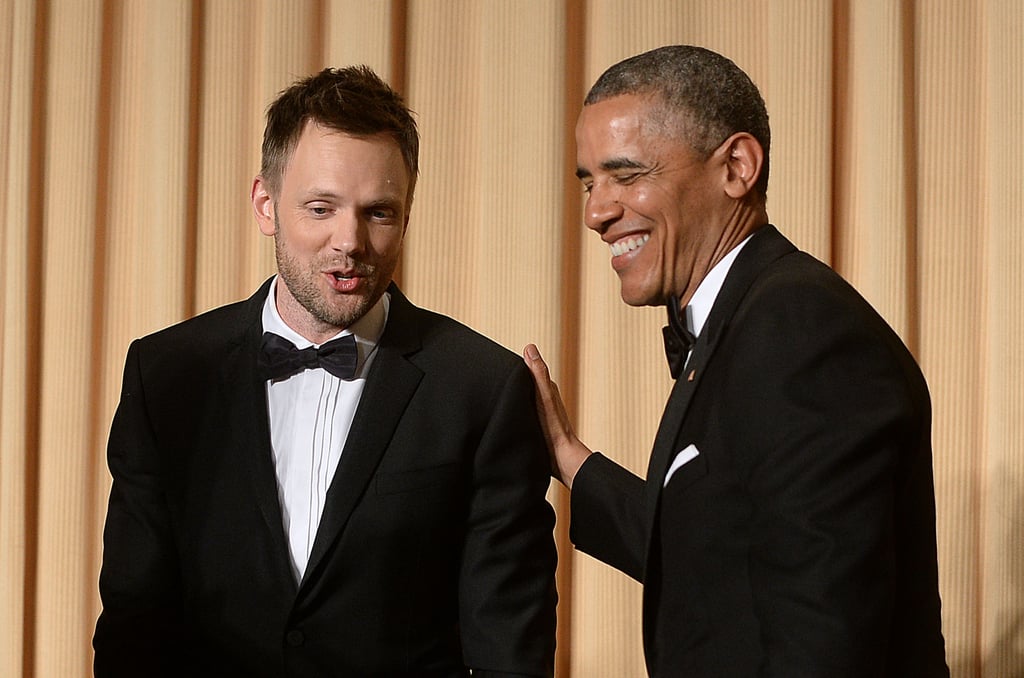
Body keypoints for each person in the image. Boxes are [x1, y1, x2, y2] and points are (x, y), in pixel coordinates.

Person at [94, 65, 557, 677]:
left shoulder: (482, 388)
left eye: (379, 213)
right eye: (321, 208)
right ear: (266, 205)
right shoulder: (167, 374)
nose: (351, 240)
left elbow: (511, 648)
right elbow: (134, 625)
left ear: (408, 216)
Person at [524, 45, 948, 676]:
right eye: (590, 181)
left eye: (627, 174)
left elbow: (823, 633)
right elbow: (719, 555)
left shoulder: (800, 331)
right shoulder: (754, 321)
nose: (596, 212)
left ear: (737, 166)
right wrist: (567, 455)